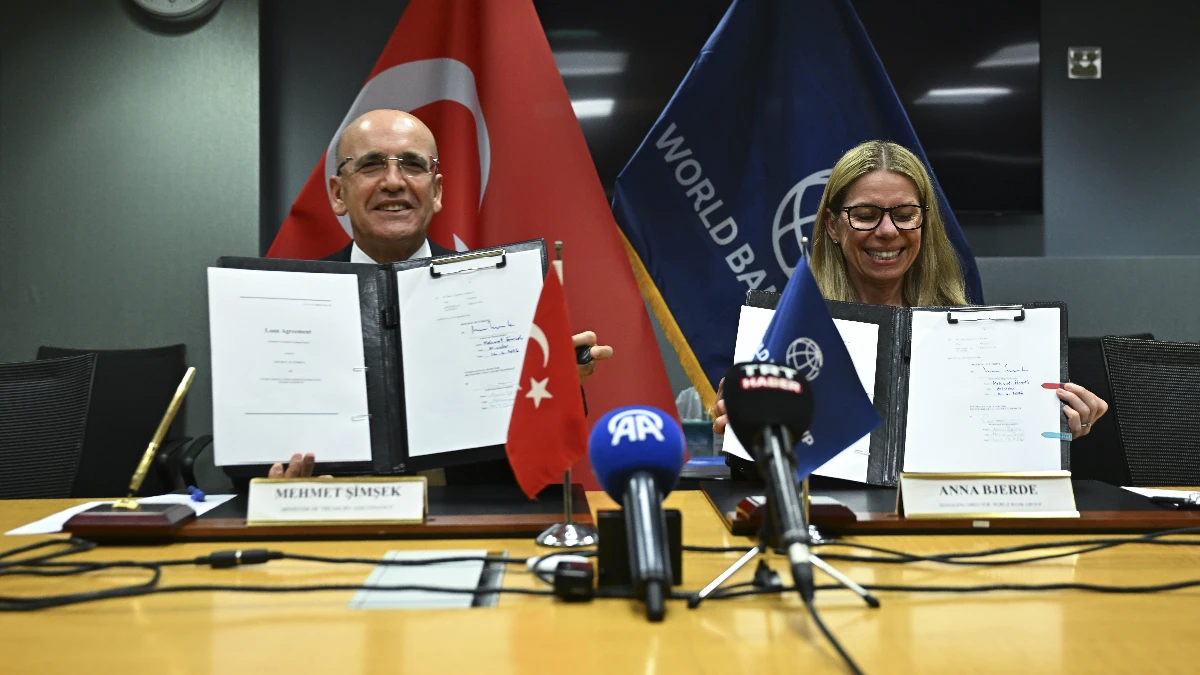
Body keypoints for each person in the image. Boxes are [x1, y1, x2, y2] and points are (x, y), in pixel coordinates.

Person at [270, 109, 613, 478]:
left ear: (436, 192)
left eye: (412, 165)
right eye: (371, 165)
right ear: (338, 193)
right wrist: (275, 483)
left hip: (473, 509)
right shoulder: (286, 303)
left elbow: (544, 449)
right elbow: (257, 444)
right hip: (331, 508)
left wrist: (560, 386)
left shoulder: (504, 290)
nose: (393, 182)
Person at [712, 139, 1108, 441]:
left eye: (904, 215)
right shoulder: (786, 334)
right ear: (832, 226)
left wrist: (1053, 430)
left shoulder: (977, 338)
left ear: (924, 223)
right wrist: (743, 427)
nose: (887, 231)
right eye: (865, 215)